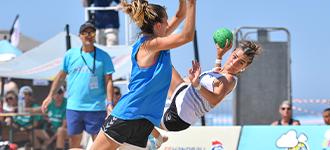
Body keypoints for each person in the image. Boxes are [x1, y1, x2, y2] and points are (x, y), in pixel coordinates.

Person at [91, 0, 196, 149]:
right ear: (158, 26)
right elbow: (186, 36)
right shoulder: (150, 45)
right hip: (127, 116)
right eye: (166, 22)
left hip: (143, 122)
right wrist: (192, 4)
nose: (168, 25)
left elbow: (180, 15)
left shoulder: (158, 42)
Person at [152, 40, 262, 147]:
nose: (234, 62)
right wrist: (219, 56)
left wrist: (196, 83)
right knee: (162, 61)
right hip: (182, 94)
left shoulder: (229, 80)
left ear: (244, 67)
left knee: (140, 118)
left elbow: (214, 100)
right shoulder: (222, 72)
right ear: (231, 54)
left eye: (241, 62)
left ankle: (159, 138)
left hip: (179, 117)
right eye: (235, 57)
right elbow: (215, 79)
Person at [41, 21, 115, 149]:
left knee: (99, 145)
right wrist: (49, 96)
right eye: (85, 32)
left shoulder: (104, 56)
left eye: (91, 32)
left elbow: (109, 81)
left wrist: (109, 103)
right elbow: (60, 77)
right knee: (74, 145)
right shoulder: (70, 55)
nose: (88, 35)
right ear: (79, 36)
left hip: (96, 107)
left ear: (95, 35)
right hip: (74, 107)